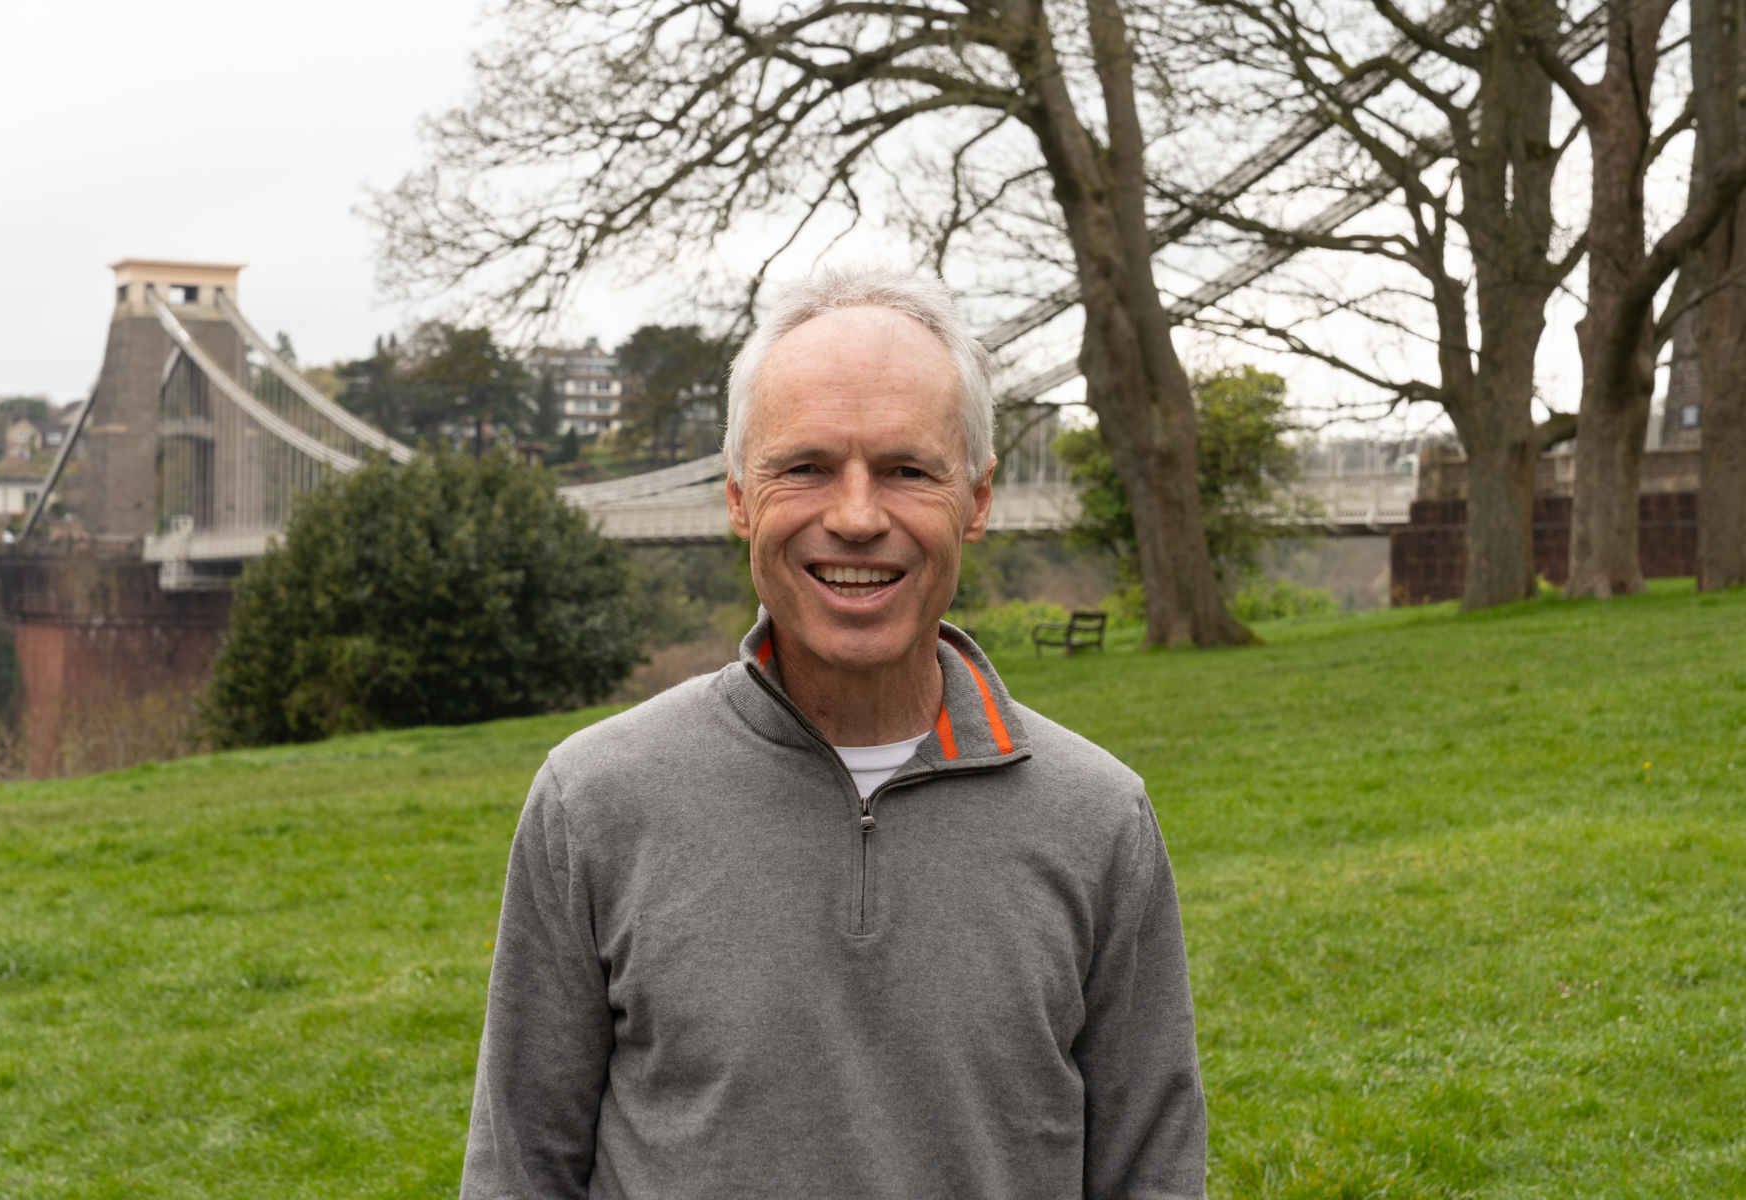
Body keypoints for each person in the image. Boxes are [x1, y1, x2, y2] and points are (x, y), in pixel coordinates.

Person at [461, 267, 1206, 1199]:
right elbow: (519, 1173)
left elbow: (1153, 1174)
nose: (856, 518)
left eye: (907, 471)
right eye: (805, 468)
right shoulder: (593, 802)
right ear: (739, 497)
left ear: (978, 499)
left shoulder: (1099, 821)